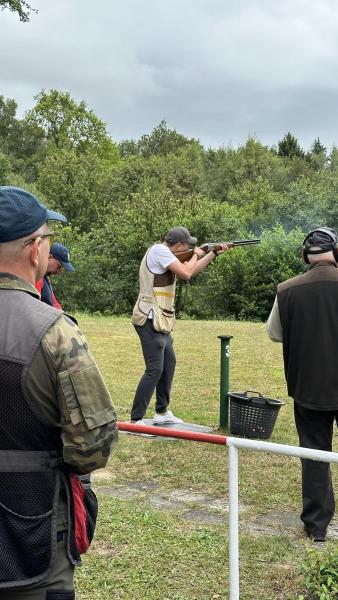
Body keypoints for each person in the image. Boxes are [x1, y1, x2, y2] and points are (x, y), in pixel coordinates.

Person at [0, 186, 118, 599]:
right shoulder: (54, 331)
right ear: (35, 250)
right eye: (48, 236)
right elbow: (93, 447)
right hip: (31, 535)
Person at [267, 226, 338, 543]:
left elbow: (275, 333)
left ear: (305, 256)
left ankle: (316, 526)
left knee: (314, 455)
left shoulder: (287, 289)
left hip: (308, 386)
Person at [131, 226, 230, 425]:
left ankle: (161, 411)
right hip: (149, 318)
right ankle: (136, 418)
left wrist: (211, 254)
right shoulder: (160, 251)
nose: (190, 247)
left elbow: (190, 271)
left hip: (160, 318)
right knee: (155, 369)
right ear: (180, 245)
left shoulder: (167, 254)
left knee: (169, 363)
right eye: (188, 245)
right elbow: (185, 273)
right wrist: (197, 254)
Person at [36, 242, 74, 309]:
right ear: (49, 257)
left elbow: (54, 303)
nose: (59, 272)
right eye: (59, 267)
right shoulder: (36, 277)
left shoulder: (45, 277)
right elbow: (35, 306)